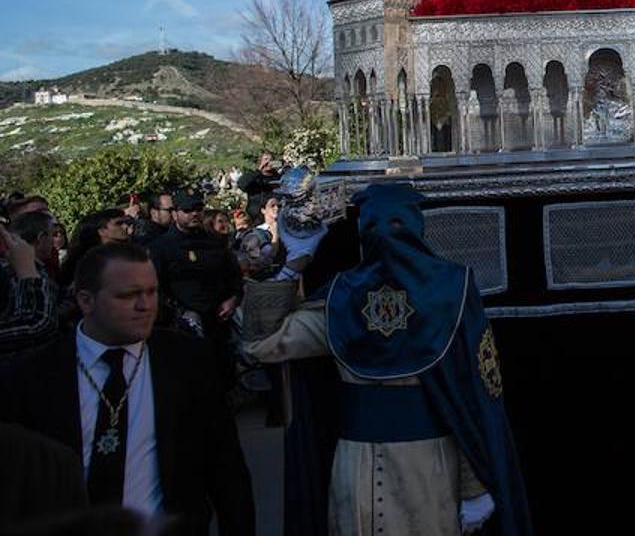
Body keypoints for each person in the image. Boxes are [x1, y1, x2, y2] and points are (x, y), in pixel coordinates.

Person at [242, 183, 531, 535]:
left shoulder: (354, 296)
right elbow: (262, 345)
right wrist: (293, 264)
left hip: (414, 468)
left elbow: (472, 391)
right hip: (377, 465)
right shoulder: (441, 291)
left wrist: (293, 265)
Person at [0, 242, 255, 534]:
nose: (145, 305)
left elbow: (226, 469)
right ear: (86, 300)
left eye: (151, 292)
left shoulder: (188, 362)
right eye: (128, 295)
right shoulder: (31, 377)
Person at [149, 190, 243, 387]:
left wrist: (233, 299)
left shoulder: (214, 242)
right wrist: (178, 312)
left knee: (222, 377)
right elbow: (156, 286)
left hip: (217, 321)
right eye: (187, 210)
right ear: (175, 213)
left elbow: (233, 276)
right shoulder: (162, 247)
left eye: (198, 209)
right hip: (183, 325)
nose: (194, 214)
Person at [1, 214, 59, 356]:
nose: (55, 241)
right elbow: (38, 325)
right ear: (41, 237)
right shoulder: (13, 272)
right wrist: (27, 272)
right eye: (53, 235)